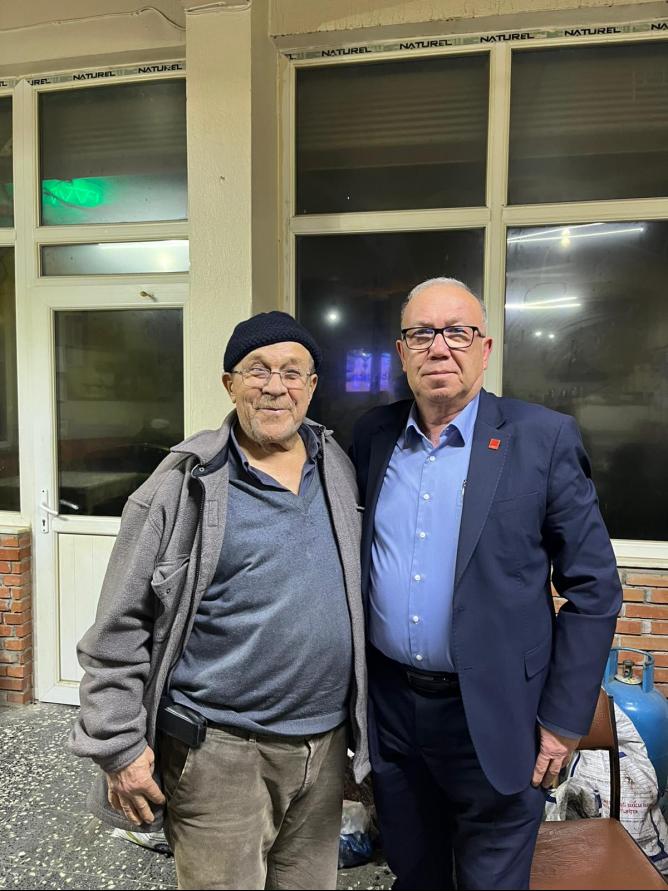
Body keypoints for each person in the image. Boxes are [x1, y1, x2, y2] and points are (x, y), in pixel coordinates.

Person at [69, 311, 369, 891]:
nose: (275, 386)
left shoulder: (335, 466)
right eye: (258, 370)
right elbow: (118, 628)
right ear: (229, 384)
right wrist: (118, 746)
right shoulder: (182, 487)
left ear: (312, 386)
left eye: (292, 372)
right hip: (220, 755)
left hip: (326, 749)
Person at [350, 277, 622, 890]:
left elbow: (594, 588)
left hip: (499, 716)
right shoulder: (372, 436)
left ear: (485, 348)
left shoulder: (542, 438)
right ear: (401, 352)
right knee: (413, 873)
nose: (439, 347)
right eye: (422, 333)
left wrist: (563, 721)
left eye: (457, 332)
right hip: (393, 712)